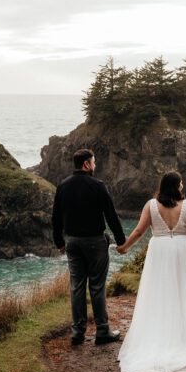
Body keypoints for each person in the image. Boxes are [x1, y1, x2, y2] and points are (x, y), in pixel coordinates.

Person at [116, 170, 186, 372]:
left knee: (159, 292)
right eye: (180, 185)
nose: (182, 188)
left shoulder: (151, 206)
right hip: (182, 252)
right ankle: (181, 338)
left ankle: (159, 334)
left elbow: (140, 231)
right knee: (182, 292)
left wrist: (125, 247)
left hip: (159, 251)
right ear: (177, 186)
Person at [52, 148, 126, 346]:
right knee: (96, 286)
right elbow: (111, 215)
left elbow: (56, 217)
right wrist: (121, 241)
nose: (95, 166)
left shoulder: (63, 186)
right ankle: (102, 331)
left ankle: (78, 333)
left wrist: (59, 242)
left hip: (72, 242)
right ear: (86, 164)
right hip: (95, 242)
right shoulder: (98, 185)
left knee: (76, 286)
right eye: (93, 162)